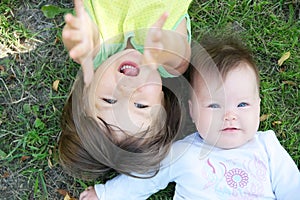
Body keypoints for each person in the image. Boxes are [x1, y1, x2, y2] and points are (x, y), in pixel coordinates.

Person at [79, 34, 300, 199]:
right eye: (214, 105)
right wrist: (106, 194)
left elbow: (292, 188)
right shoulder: (182, 152)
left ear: (258, 108)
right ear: (193, 111)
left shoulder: (267, 146)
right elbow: (147, 178)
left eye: (243, 104)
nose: (230, 115)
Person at [58, 0, 192, 180]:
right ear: (163, 102)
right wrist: (163, 49)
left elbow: (86, 40)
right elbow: (178, 54)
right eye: (140, 105)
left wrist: (80, 39)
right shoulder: (173, 65)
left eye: (109, 100)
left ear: (86, 90)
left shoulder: (95, 52)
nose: (127, 88)